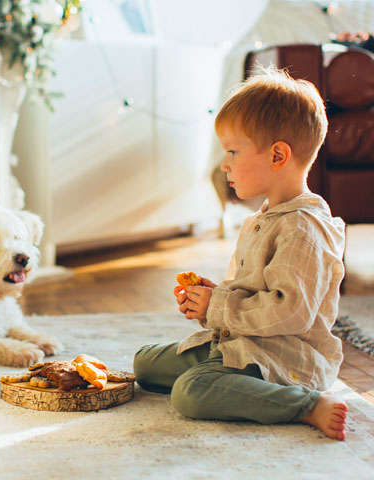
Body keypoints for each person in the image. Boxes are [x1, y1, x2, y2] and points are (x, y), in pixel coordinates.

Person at [133, 67, 349, 440]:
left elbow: (291, 312)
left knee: (191, 392)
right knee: (145, 363)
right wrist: (213, 297)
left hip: (283, 358)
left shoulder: (303, 228)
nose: (225, 164)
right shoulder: (265, 218)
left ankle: (304, 404)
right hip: (245, 343)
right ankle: (228, 382)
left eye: (233, 151)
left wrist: (217, 306)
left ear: (278, 156)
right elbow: (256, 290)